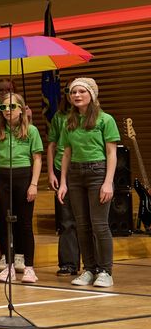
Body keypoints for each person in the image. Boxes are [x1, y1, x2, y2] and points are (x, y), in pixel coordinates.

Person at [58, 77, 120, 288]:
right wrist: (63, 182)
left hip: (97, 172)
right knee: (81, 225)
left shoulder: (105, 119)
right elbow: (66, 153)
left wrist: (108, 182)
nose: (76, 95)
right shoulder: (69, 121)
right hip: (75, 175)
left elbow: (112, 153)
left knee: (99, 225)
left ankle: (105, 270)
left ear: (91, 95)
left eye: (81, 92)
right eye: (73, 92)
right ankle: (89, 268)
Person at [0, 92, 42, 284]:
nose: (7, 111)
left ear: (21, 108)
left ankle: (29, 267)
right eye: (3, 108)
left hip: (24, 177)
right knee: (4, 222)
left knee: (24, 223)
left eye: (12, 107)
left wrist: (34, 184)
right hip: (3, 179)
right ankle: (8, 265)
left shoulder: (31, 131)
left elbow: (37, 159)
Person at [47, 87, 80, 275]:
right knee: (66, 220)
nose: (73, 94)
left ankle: (93, 265)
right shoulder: (59, 117)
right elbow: (52, 145)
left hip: (85, 167)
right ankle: (68, 263)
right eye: (69, 90)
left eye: (78, 90)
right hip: (62, 169)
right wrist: (51, 172)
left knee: (85, 220)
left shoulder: (94, 118)